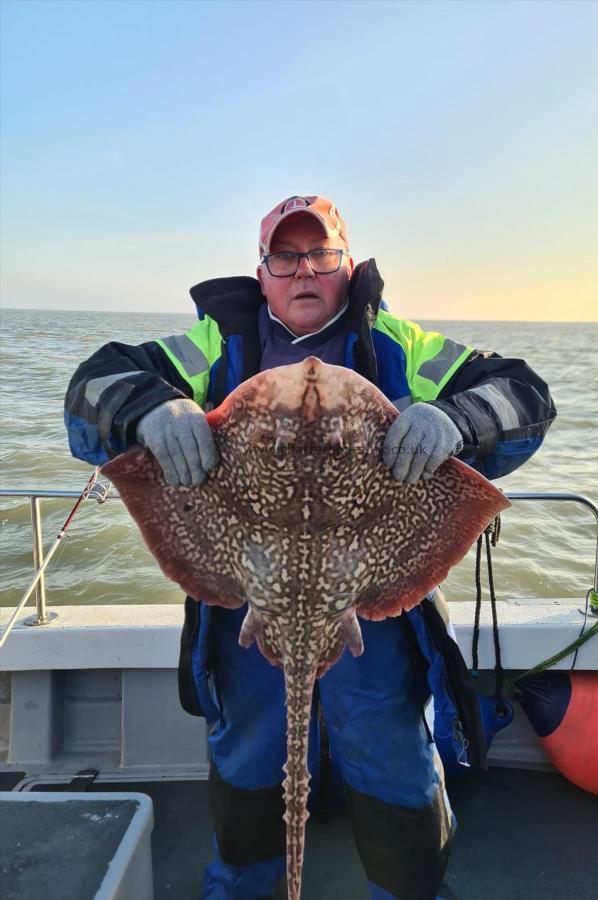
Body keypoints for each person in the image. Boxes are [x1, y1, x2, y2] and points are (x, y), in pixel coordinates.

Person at [65, 195, 556, 900]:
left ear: (346, 265)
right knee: (251, 752)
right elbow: (91, 387)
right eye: (284, 256)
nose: (303, 270)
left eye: (320, 254)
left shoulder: (401, 348)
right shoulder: (212, 347)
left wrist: (459, 418)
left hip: (371, 603)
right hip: (246, 597)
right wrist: (150, 407)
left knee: (390, 755)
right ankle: (243, 887)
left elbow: (525, 394)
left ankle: (406, 890)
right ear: (261, 273)